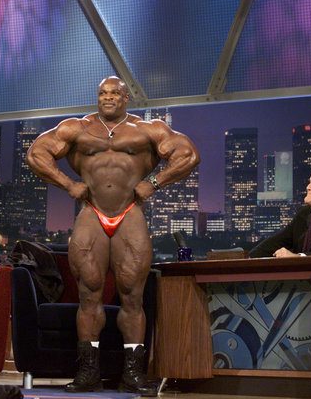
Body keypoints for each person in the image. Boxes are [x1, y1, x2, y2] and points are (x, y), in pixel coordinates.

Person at [26, 76, 199, 395]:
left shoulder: (149, 129)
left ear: (126, 98)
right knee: (88, 292)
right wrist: (68, 184)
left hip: (129, 213)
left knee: (132, 295)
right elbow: (37, 154)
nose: (107, 98)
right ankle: (88, 373)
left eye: (114, 94)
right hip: (91, 213)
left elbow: (187, 154)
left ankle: (132, 375)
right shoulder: (76, 127)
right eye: (102, 93)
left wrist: (155, 183)